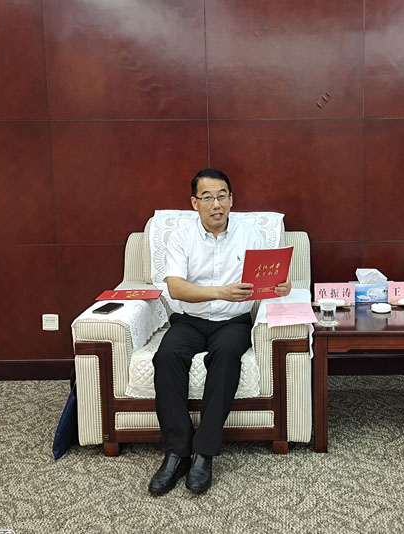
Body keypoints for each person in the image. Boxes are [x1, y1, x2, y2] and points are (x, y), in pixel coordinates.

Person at [148, 168, 292, 495]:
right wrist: (220, 292)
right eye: (208, 197)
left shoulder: (249, 234)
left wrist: (278, 286)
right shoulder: (181, 236)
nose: (216, 204)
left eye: (222, 196)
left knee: (226, 357)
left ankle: (204, 453)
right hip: (190, 319)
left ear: (231, 199)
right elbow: (176, 288)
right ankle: (176, 453)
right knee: (166, 357)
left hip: (233, 321)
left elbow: (262, 281)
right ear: (194, 203)